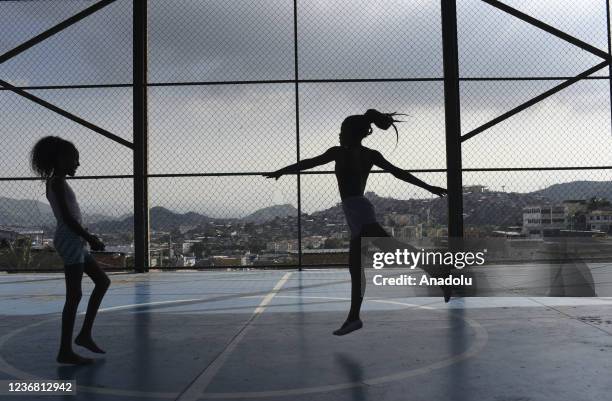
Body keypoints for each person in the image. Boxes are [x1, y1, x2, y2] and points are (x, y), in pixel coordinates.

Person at [264, 109, 448, 335]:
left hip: (359, 211)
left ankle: (436, 271)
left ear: (351, 133)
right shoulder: (370, 154)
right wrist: (429, 187)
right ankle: (355, 317)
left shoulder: (339, 153)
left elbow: (309, 162)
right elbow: (399, 173)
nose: (339, 135)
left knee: (375, 257)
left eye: (342, 131)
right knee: (367, 261)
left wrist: (283, 170)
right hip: (357, 211)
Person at [30, 136, 110, 364]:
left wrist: (85, 237)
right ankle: (65, 350)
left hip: (74, 240)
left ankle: (84, 335)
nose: (77, 164)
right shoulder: (56, 182)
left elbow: (70, 217)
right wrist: (90, 237)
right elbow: (66, 218)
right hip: (70, 239)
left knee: (102, 282)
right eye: (74, 159)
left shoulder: (58, 182)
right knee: (73, 296)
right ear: (60, 159)